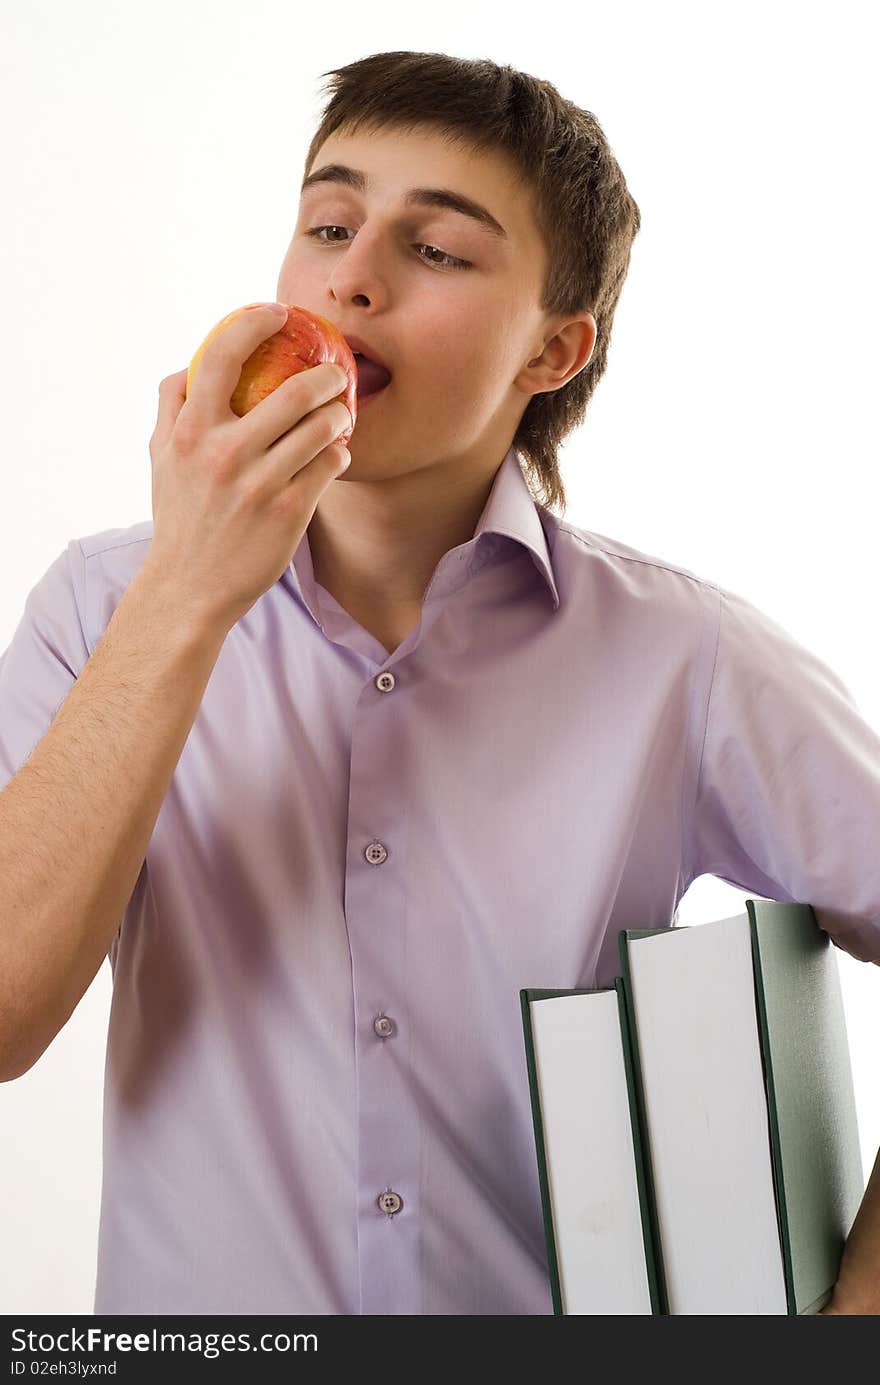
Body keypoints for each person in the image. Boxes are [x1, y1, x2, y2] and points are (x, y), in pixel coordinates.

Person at [1, 50, 879, 1317]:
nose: (353, 275)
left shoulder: (682, 661)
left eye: (440, 251)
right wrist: (189, 593)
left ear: (553, 352)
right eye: (331, 223)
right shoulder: (102, 607)